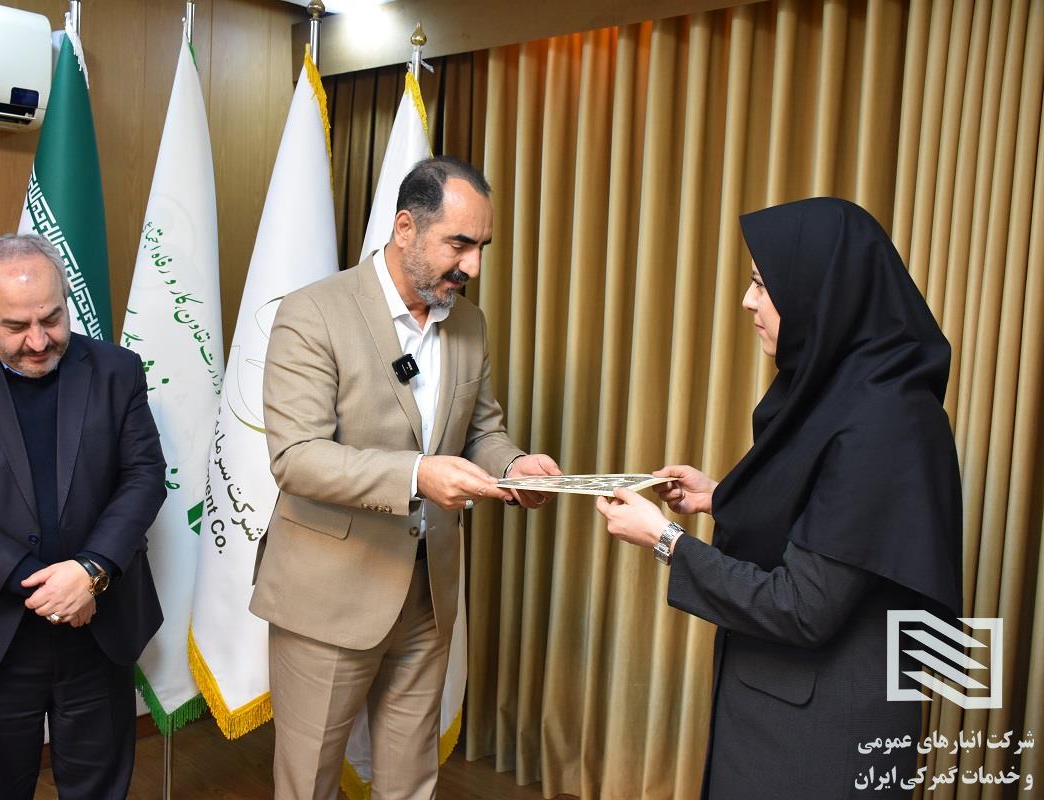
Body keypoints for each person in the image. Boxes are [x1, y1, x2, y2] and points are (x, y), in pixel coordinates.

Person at [596, 197, 963, 798]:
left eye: (763, 285)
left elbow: (803, 606)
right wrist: (723, 496)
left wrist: (665, 541)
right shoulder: (847, 391)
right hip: (787, 713)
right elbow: (835, 513)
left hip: (820, 742)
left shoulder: (887, 423)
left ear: (822, 294)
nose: (748, 301)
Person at [252, 156, 561, 799]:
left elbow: (482, 431)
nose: (473, 266)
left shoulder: (468, 323)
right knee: (308, 785)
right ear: (404, 228)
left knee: (411, 783)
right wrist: (418, 475)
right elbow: (297, 457)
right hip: (329, 597)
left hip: (428, 593)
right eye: (459, 244)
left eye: (482, 247)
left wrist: (514, 466)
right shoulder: (313, 314)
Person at [0, 234, 166, 799]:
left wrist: (90, 572)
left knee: (99, 788)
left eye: (52, 318)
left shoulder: (116, 370)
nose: (39, 341)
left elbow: (143, 476)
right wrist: (45, 586)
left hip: (97, 623)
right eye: (16, 326)